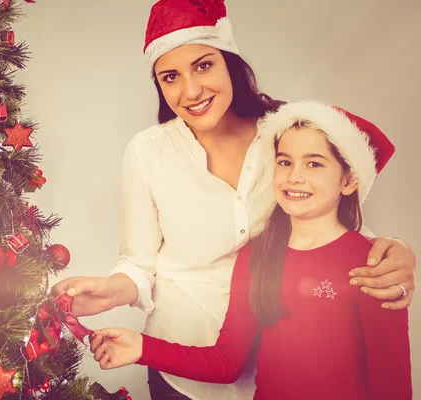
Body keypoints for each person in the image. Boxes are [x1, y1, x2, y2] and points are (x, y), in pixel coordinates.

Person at [51, 0, 417, 398]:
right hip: (184, 362)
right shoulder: (147, 151)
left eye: (204, 65)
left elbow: (328, 221)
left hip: (281, 370)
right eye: (170, 76)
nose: (191, 91)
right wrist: (113, 289)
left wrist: (393, 251)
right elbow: (139, 262)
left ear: (231, 62)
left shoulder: (285, 135)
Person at [88, 101, 412, 399]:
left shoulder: (373, 267)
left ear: (349, 179)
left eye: (314, 164)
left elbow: (392, 386)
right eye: (285, 161)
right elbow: (227, 362)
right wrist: (141, 347)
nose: (294, 176)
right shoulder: (258, 255)